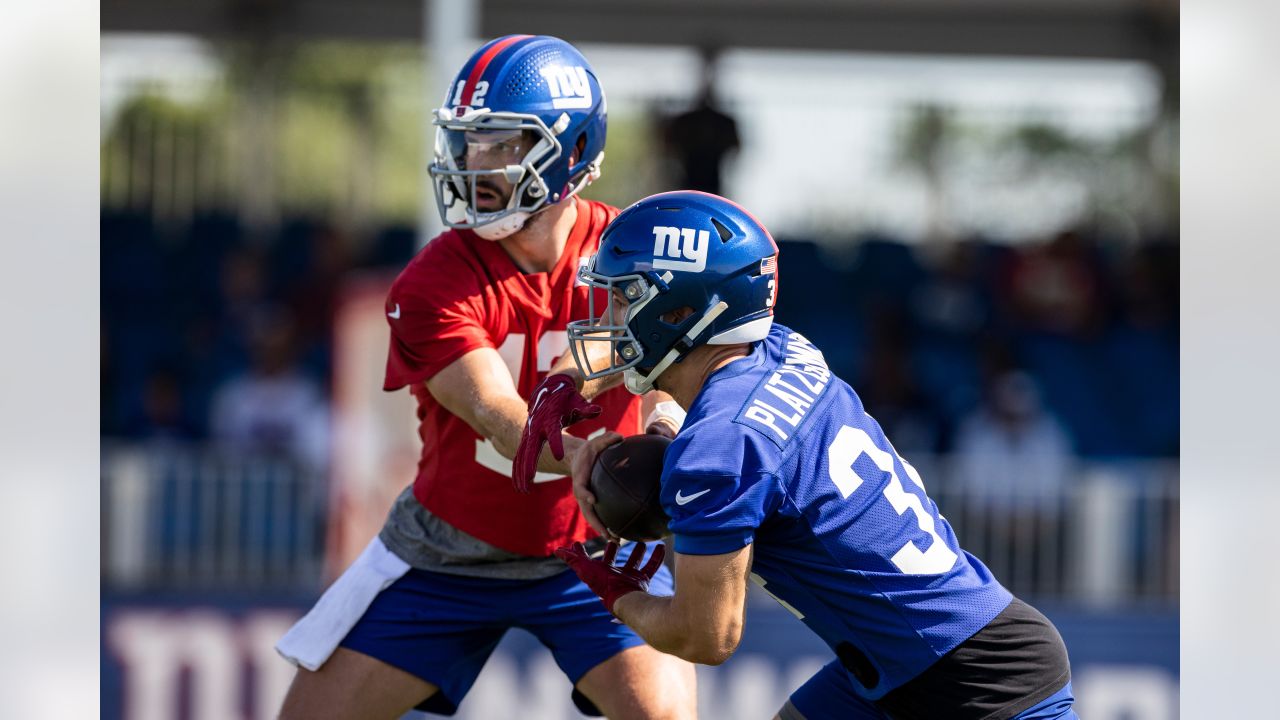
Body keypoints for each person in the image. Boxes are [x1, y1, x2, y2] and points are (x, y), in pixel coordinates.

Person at [520, 190, 1077, 720]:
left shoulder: (719, 450)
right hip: (911, 656)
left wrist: (619, 596)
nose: (608, 317)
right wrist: (618, 406)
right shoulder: (781, 347)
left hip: (976, 680)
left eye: (625, 298)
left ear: (679, 311)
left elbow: (706, 635)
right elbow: (702, 389)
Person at [275, 36, 696, 720]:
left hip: (597, 545)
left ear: (570, 151)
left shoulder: (635, 254)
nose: (477, 163)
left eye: (503, 144)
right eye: (470, 143)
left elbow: (671, 378)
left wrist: (663, 425)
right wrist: (591, 459)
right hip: (450, 551)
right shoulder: (434, 279)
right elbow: (502, 419)